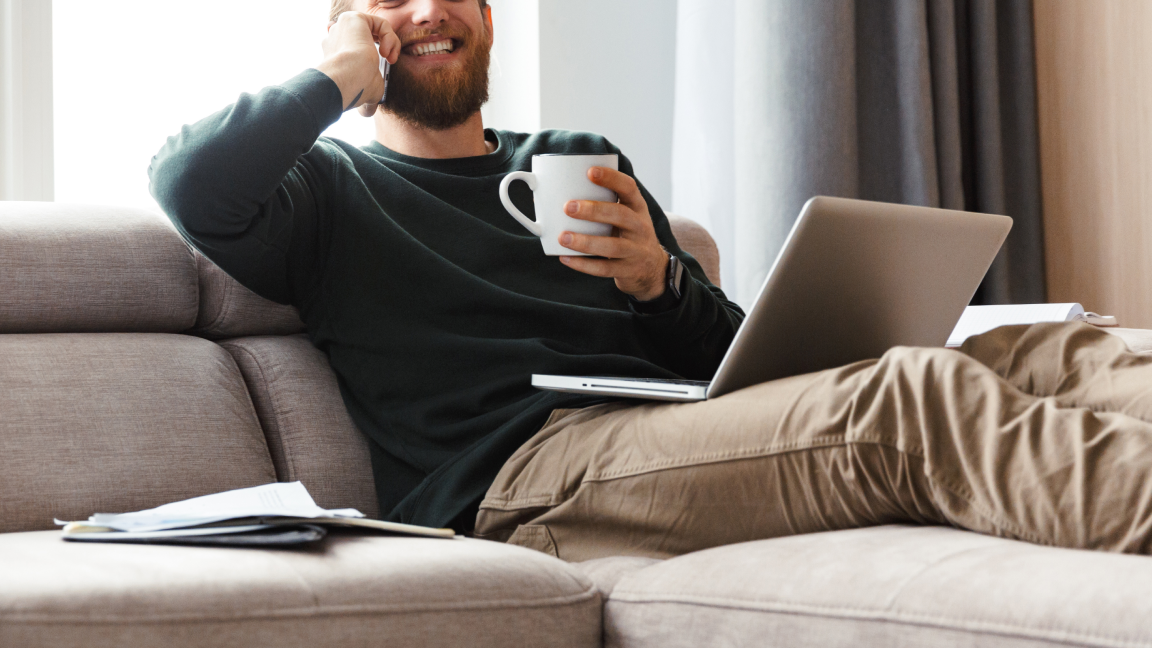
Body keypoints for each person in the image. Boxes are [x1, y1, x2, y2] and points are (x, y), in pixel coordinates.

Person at [149, 0, 1152, 561]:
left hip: (664, 425)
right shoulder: (329, 193)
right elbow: (188, 183)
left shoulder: (577, 157)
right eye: (390, 1)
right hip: (523, 479)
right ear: (352, 33)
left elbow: (727, 359)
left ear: (489, 19)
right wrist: (335, 82)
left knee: (1039, 346)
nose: (427, 10)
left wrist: (657, 283)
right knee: (909, 400)